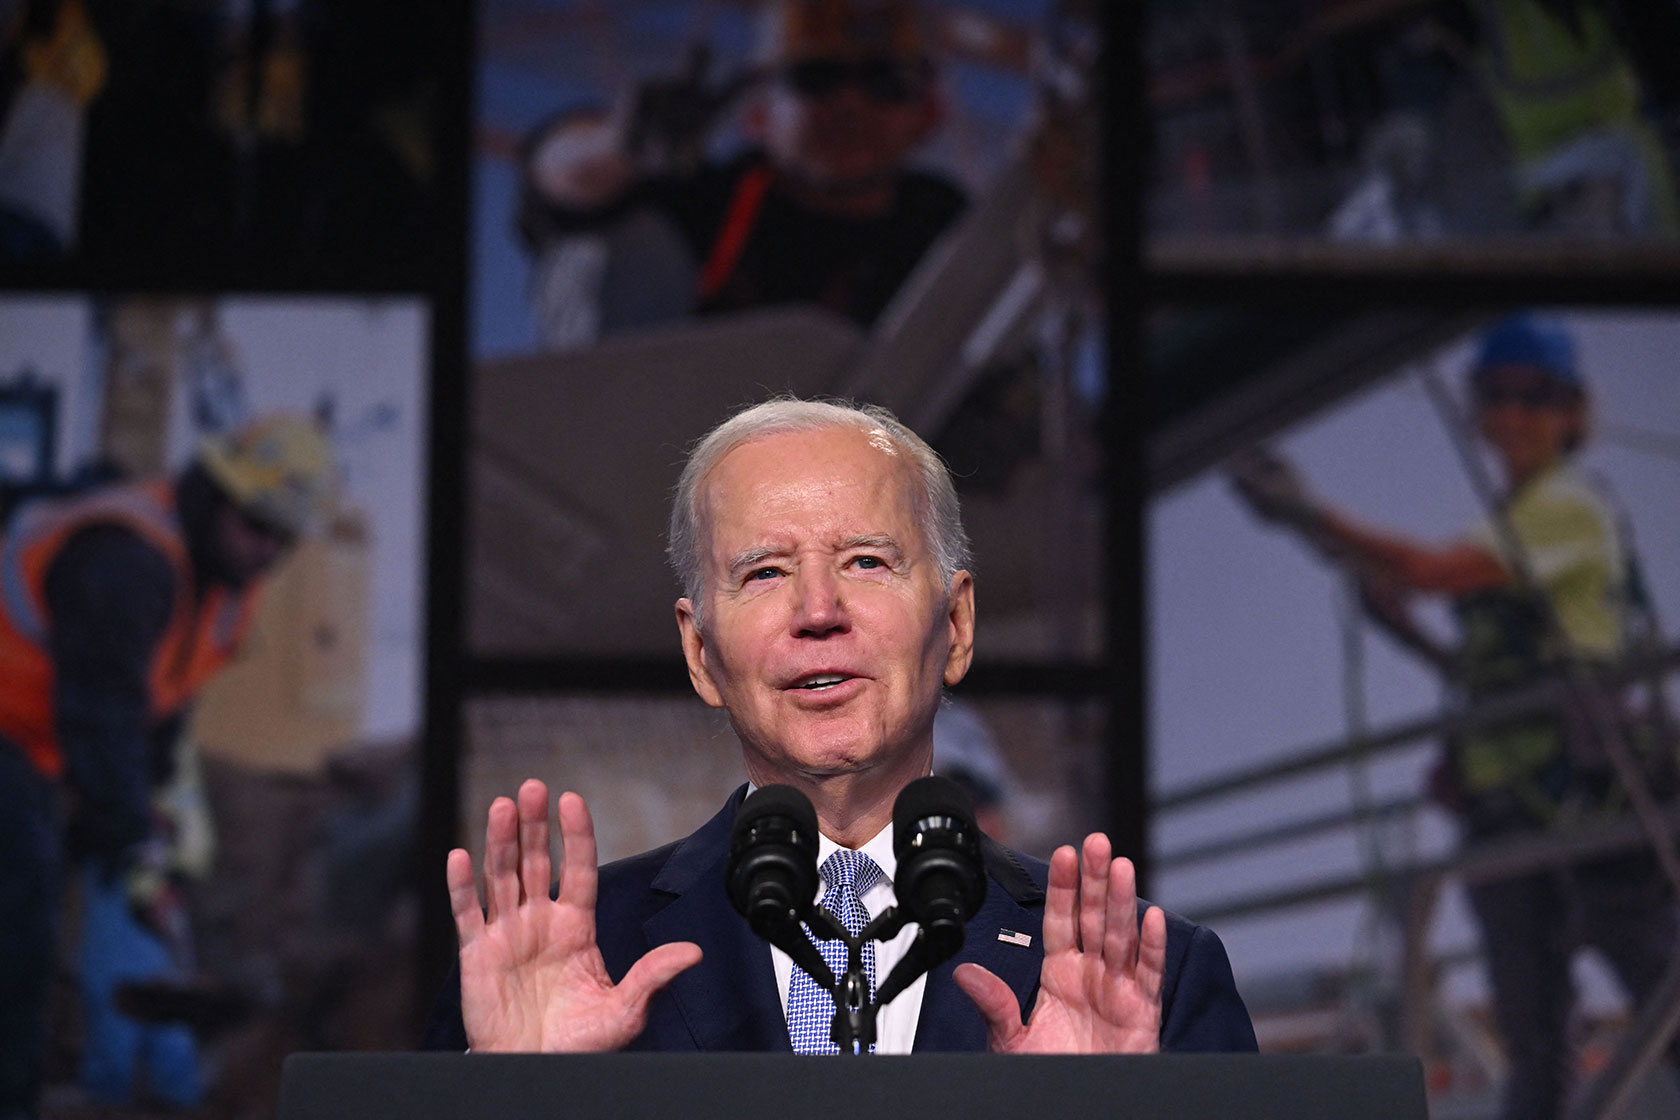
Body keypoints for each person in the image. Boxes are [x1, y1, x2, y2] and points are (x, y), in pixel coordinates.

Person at [425, 397, 1255, 1056]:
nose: (818, 613)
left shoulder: (1151, 977)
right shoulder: (562, 963)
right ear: (701, 653)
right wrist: (512, 1102)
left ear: (957, 624)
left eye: (867, 561)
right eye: (764, 572)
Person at [1230, 314, 1679, 1120]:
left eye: (1534, 397)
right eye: (1496, 396)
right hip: (1509, 807)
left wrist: (1309, 516)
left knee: (1660, 995)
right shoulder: (1515, 523)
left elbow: (1430, 572)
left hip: (1590, 794)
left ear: (1571, 413)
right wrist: (1381, 603)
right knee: (1535, 1029)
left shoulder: (1567, 508)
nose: (1512, 414)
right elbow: (1470, 655)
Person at [0, 413, 332, 1119]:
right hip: (12, 729)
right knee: (21, 929)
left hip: (38, 741)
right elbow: (100, 710)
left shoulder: (224, 587)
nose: (264, 546)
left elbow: (159, 707)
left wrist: (142, 812)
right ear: (214, 494)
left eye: (281, 534)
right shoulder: (129, 560)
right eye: (254, 521)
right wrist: (127, 833)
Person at [518, 0, 965, 346]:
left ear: (928, 115)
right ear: (757, 116)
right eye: (814, 77)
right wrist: (621, 145)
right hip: (669, 440)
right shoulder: (704, 204)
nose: (850, 103)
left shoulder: (947, 228)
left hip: (881, 455)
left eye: (886, 80)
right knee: (614, 245)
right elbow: (563, 190)